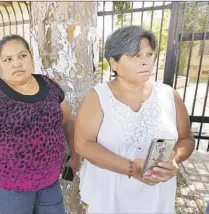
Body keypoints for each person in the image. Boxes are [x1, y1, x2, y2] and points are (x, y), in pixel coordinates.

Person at [75, 26, 195, 213]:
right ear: (113, 63)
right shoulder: (98, 97)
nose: (145, 62)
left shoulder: (169, 95)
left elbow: (186, 139)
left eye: (149, 54)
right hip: (107, 194)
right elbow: (83, 144)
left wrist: (173, 160)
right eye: (135, 56)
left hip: (155, 195)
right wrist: (131, 169)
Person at [0, 35, 80, 214]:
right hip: (10, 187)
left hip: (49, 179)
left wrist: (74, 153)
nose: (16, 63)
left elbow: (68, 121)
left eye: (22, 56)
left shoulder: (49, 85)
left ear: (30, 57)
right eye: (8, 59)